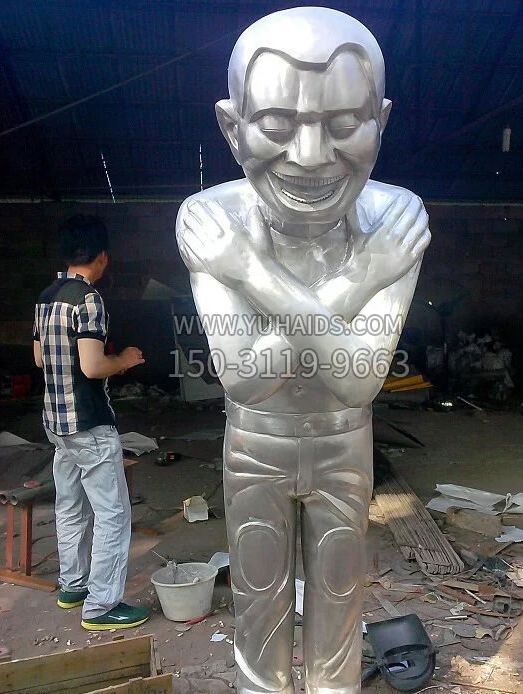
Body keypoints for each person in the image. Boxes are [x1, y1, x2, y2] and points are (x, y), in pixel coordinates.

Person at [175, 8, 430, 694]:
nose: (311, 156)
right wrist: (363, 277)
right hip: (254, 443)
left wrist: (250, 273)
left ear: (381, 121)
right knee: (257, 603)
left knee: (340, 603)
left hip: (345, 441)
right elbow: (244, 378)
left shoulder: (395, 216)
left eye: (344, 124)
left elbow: (358, 380)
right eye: (276, 125)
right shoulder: (212, 217)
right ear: (232, 126)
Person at [32, 214, 149, 631]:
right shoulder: (88, 300)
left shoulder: (47, 296)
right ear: (101, 256)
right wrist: (125, 360)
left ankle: (73, 586)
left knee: (70, 506)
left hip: (56, 421)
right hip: (88, 424)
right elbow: (93, 366)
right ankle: (102, 606)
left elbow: (39, 358)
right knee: (113, 514)